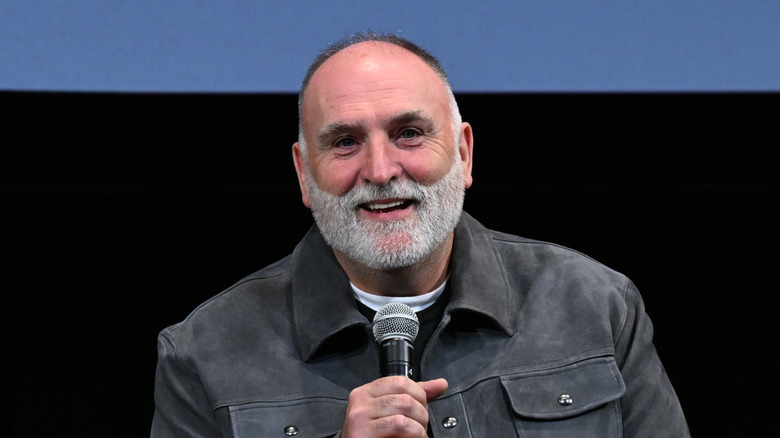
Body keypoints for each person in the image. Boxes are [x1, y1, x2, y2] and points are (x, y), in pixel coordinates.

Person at [151, 32, 690, 437]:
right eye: (344, 142)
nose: (381, 169)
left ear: (463, 152)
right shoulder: (204, 354)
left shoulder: (594, 305)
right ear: (303, 174)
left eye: (409, 133)